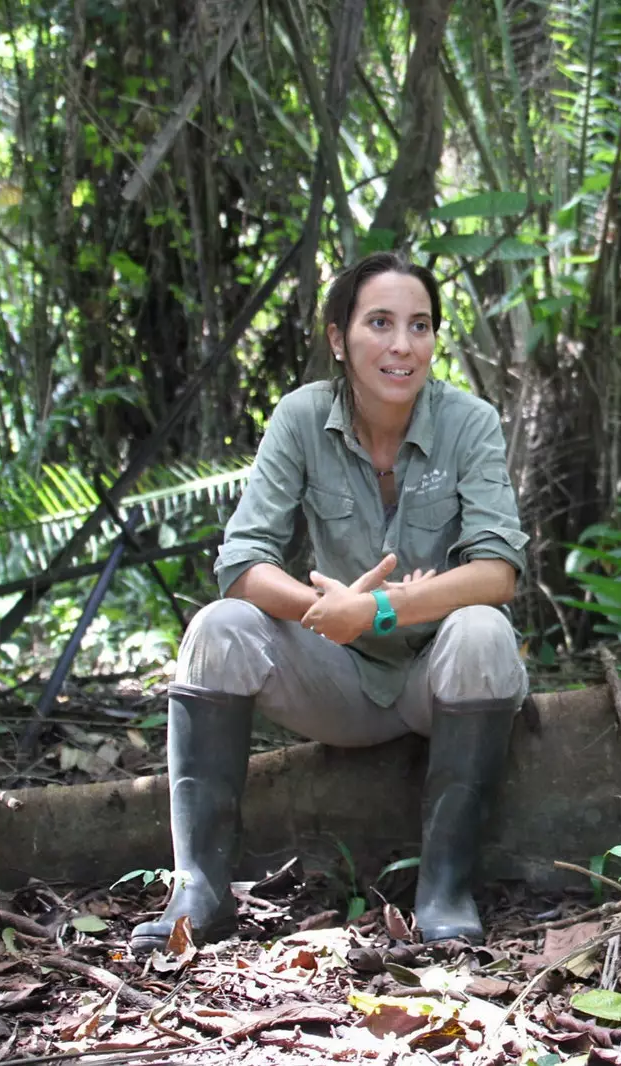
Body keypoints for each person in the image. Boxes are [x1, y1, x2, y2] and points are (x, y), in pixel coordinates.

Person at [128, 251, 529, 954]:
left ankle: (445, 890)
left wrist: (378, 612)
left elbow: (498, 571)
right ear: (339, 339)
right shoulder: (302, 416)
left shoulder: (469, 422)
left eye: (420, 325)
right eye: (380, 323)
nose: (403, 345)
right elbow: (241, 563)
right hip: (331, 676)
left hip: (430, 680)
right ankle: (201, 889)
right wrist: (329, 615)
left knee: (484, 632)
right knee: (217, 628)